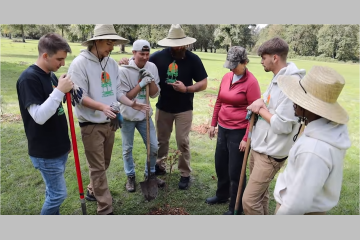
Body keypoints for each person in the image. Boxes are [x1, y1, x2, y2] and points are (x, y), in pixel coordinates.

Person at [67, 24, 149, 215]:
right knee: (97, 168)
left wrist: (131, 103)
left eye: (113, 42)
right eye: (108, 42)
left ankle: (92, 189)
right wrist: (102, 107)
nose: (112, 47)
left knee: (103, 164)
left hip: (110, 122)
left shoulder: (112, 64)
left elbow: (116, 92)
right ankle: (105, 209)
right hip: (91, 125)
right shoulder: (79, 64)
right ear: (96, 42)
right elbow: (79, 97)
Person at [119, 24, 208, 190]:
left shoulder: (193, 59)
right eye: (175, 44)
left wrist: (187, 89)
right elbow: (140, 61)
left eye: (181, 43)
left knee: (183, 142)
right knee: (161, 142)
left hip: (184, 108)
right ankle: (158, 167)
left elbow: (203, 83)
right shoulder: (158, 57)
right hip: (163, 107)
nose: (179, 47)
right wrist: (126, 61)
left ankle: (184, 173)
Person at [274, 65, 351, 215]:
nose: (293, 101)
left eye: (298, 98)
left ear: (308, 107)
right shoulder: (328, 133)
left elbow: (297, 203)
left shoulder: (314, 150)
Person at [242, 37, 306, 215]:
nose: (261, 61)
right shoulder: (278, 77)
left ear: (275, 58)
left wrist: (259, 108)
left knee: (248, 201)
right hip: (260, 146)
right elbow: (270, 104)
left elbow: (283, 125)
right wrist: (261, 102)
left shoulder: (290, 84)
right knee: (260, 196)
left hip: (270, 154)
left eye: (263, 57)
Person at [16, 33, 74, 215]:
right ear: (45, 56)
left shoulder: (50, 75)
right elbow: (39, 116)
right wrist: (59, 91)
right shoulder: (28, 79)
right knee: (58, 195)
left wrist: (68, 89)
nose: (62, 63)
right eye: (59, 59)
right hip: (45, 151)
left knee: (52, 192)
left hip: (58, 146)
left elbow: (57, 105)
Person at [205, 46, 261, 215]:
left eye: (234, 64)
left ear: (245, 62)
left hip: (239, 131)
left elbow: (255, 114)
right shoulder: (226, 77)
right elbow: (219, 102)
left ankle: (236, 207)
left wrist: (246, 138)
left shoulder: (251, 83)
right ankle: (221, 195)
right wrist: (213, 124)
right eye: (229, 64)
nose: (231, 68)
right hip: (223, 128)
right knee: (220, 164)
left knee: (235, 171)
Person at [118, 39, 165, 192]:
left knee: (153, 147)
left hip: (145, 115)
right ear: (133, 53)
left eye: (147, 54)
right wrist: (141, 84)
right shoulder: (124, 69)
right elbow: (127, 97)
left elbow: (154, 94)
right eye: (141, 54)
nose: (145, 57)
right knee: (127, 149)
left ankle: (150, 175)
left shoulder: (152, 67)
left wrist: (150, 80)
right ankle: (130, 176)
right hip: (128, 116)